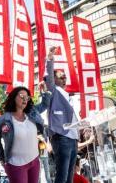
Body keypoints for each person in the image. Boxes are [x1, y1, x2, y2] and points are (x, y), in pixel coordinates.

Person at [0, 82, 51, 183]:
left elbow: (45, 104)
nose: (25, 99)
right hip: (15, 165)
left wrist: (44, 91)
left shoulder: (32, 112)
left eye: (27, 97)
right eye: (21, 96)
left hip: (34, 162)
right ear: (13, 98)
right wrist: (2, 158)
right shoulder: (4, 119)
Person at [45, 46, 79, 183]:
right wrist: (50, 59)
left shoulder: (69, 95)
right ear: (54, 79)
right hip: (62, 137)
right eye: (61, 77)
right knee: (62, 176)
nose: (65, 79)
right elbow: (49, 79)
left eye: (65, 77)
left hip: (73, 138)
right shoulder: (54, 91)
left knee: (69, 176)